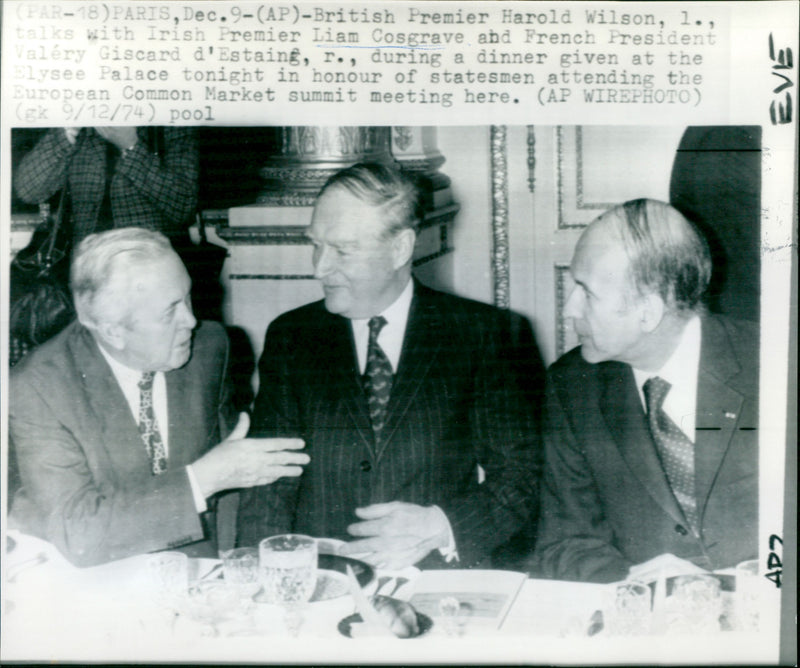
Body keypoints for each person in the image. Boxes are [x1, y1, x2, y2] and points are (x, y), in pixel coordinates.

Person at [236, 162, 543, 570]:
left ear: (400, 248)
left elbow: (523, 476)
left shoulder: (483, 334)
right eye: (315, 245)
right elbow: (269, 483)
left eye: (342, 250)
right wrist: (259, 574)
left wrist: (442, 525)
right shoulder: (292, 337)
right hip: (321, 577)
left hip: (438, 575)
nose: (319, 268)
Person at [8, 228, 309, 567]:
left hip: (191, 564)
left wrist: (237, 562)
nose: (191, 320)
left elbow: (233, 477)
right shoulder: (38, 387)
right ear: (113, 331)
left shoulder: (209, 347)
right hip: (88, 573)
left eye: (187, 297)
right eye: (170, 311)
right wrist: (202, 480)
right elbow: (77, 533)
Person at [530, 198, 758, 583]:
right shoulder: (572, 387)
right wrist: (631, 585)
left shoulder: (774, 364)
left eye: (586, 292)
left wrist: (736, 587)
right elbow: (567, 542)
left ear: (648, 312)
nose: (569, 309)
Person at [14, 126, 198, 245]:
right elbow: (28, 191)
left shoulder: (168, 126)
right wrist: (67, 131)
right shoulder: (84, 131)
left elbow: (183, 206)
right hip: (90, 266)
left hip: (151, 263)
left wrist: (131, 146)